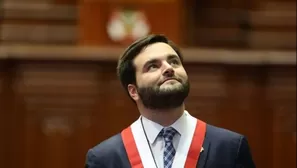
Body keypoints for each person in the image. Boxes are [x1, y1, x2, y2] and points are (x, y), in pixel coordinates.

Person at [85, 34, 256, 168]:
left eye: (174, 62)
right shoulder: (105, 158)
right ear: (133, 91)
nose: (168, 68)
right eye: (153, 66)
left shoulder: (230, 148)